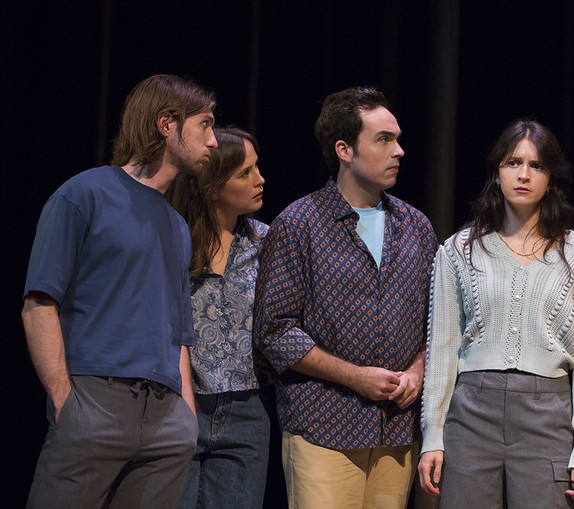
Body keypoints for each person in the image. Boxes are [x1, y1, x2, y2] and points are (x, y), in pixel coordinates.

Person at [21, 74, 218, 508]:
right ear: (167, 123)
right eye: (204, 125)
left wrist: (185, 418)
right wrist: (66, 404)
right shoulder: (84, 194)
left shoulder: (178, 226)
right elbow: (39, 304)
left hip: (166, 417)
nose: (214, 141)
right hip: (95, 402)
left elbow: (178, 333)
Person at [253, 87, 438, 509]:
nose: (399, 151)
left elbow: (439, 322)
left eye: (398, 138)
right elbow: (275, 331)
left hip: (396, 431)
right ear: (344, 149)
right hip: (324, 427)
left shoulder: (416, 226)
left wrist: (417, 371)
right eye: (384, 140)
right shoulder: (300, 223)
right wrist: (355, 376)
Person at [418, 120, 574, 508]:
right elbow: (441, 348)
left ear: (551, 179)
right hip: (471, 414)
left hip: (548, 417)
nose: (523, 174)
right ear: (497, 173)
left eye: (537, 166)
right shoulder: (459, 251)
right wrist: (432, 434)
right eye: (513, 162)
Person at [167, 127, 271, 509]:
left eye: (257, 168)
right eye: (245, 173)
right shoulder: (174, 242)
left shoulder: (267, 244)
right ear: (212, 187)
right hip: (178, 406)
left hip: (245, 412)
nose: (260, 180)